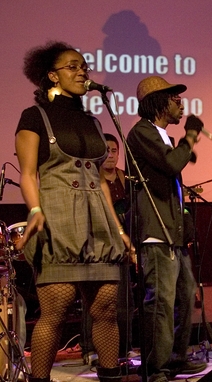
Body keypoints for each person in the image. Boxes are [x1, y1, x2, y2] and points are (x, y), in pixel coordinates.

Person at [14, 41, 134, 382]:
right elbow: (28, 173)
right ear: (52, 75)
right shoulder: (35, 117)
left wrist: (118, 230)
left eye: (84, 66)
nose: (83, 72)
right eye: (72, 66)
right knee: (56, 306)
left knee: (105, 307)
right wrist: (34, 210)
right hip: (59, 217)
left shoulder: (93, 121)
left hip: (96, 220)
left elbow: (100, 182)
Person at [126, 75, 207, 382]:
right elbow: (172, 164)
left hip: (171, 236)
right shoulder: (142, 133)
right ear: (159, 103)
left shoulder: (160, 136)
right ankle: (153, 371)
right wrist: (189, 138)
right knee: (160, 302)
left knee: (185, 296)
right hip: (154, 234)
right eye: (175, 99)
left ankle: (175, 356)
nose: (181, 104)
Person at [80, 133, 134, 366]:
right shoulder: (92, 177)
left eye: (114, 150)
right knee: (95, 298)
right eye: (107, 150)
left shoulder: (125, 177)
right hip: (98, 242)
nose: (111, 155)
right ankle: (90, 348)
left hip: (122, 244)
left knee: (123, 298)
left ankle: (125, 348)